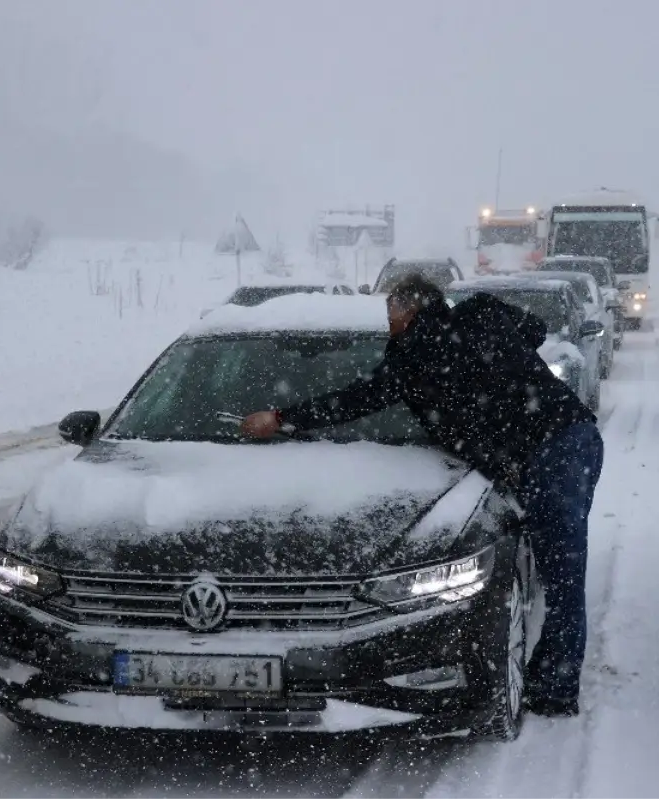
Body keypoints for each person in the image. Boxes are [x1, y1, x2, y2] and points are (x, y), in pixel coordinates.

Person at [240, 274, 604, 716]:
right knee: (561, 572)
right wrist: (502, 365)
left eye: (390, 314)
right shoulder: (481, 311)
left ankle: (556, 690)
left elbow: (356, 400)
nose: (388, 324)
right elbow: (534, 331)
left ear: (408, 311)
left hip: (553, 449)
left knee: (563, 572)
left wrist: (282, 418)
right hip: (571, 436)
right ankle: (552, 677)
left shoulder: (411, 359)